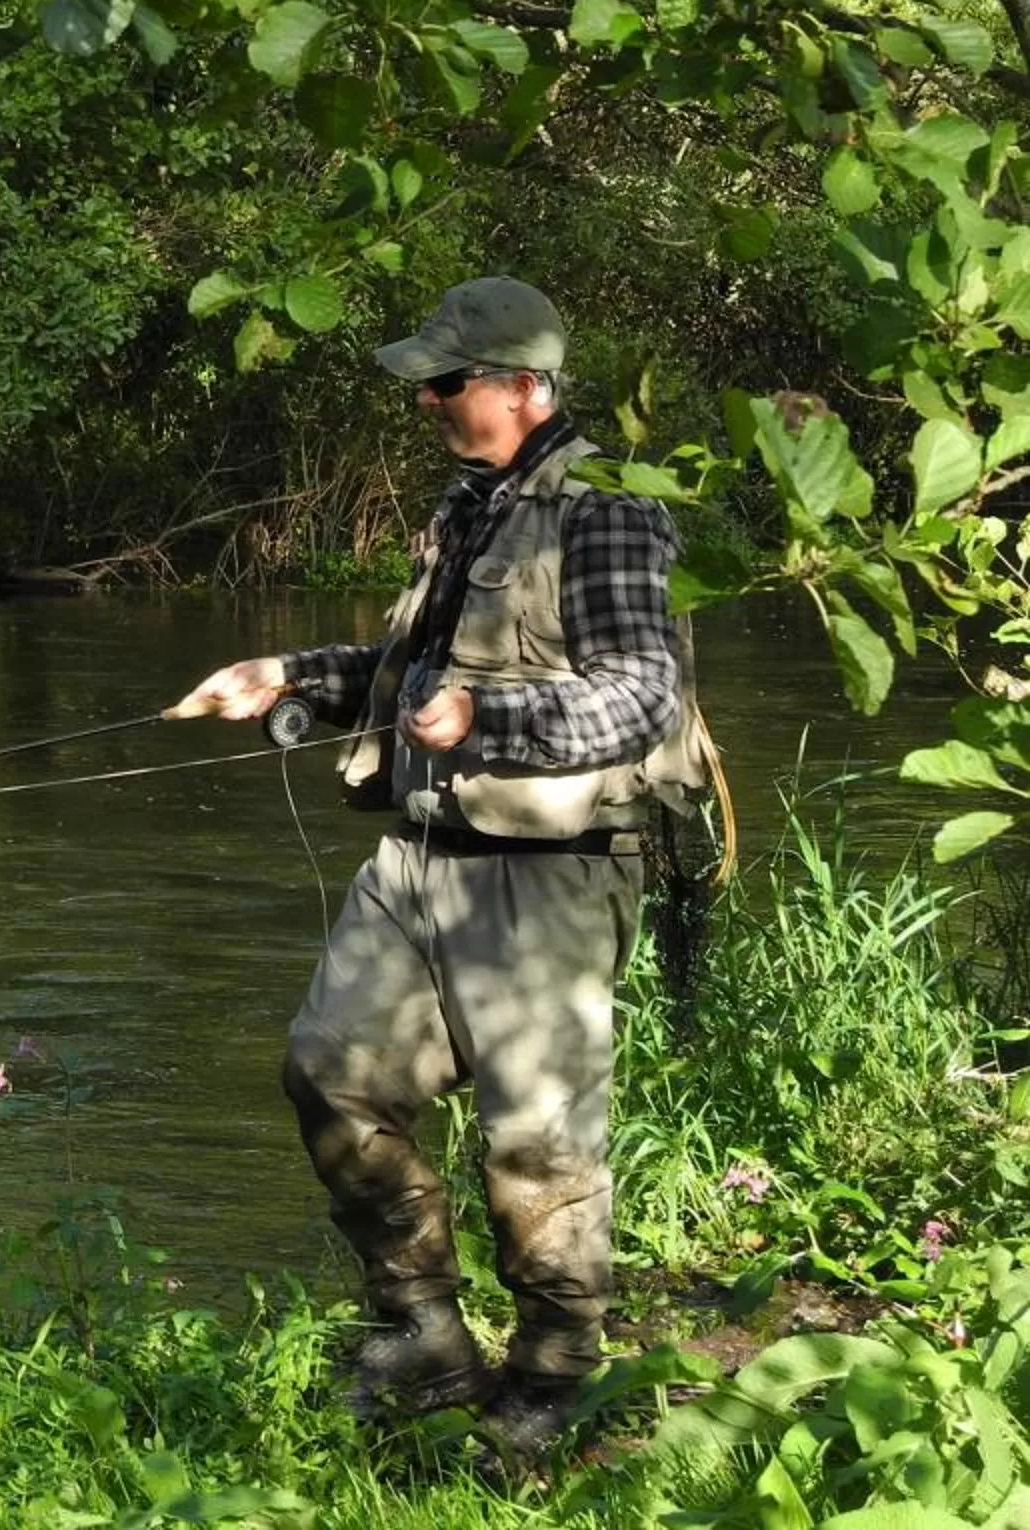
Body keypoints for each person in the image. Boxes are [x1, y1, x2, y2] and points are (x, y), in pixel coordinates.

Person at [171, 276, 710, 1459]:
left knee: (537, 1143)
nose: (427, 402)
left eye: (446, 382)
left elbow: (639, 696)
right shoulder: (471, 504)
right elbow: (412, 667)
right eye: (426, 384)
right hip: (415, 859)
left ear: (525, 388)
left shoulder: (608, 511)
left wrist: (486, 724)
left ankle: (557, 1374)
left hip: (548, 877)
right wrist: (290, 675)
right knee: (330, 1074)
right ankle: (422, 1328)